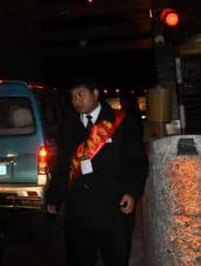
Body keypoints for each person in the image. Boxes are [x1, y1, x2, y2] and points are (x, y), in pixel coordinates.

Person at [45, 77, 148, 266]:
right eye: (73, 97)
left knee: (115, 260)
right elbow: (62, 165)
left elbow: (136, 161)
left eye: (80, 94)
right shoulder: (68, 127)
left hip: (113, 209)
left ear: (95, 94)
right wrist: (54, 197)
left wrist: (132, 192)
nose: (76, 101)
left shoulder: (121, 122)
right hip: (79, 213)